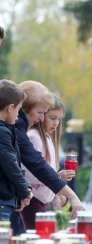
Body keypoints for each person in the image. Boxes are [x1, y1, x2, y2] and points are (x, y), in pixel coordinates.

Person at [15, 81, 85, 227]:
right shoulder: (31, 135)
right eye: (43, 114)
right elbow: (35, 170)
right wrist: (60, 182)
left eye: (59, 119)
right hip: (31, 199)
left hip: (38, 199)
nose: (56, 123)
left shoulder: (44, 137)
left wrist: (56, 193)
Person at [0, 79, 33, 229]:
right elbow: (10, 164)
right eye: (18, 110)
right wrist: (25, 191)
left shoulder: (6, 129)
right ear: (10, 107)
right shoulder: (2, 132)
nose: (18, 116)